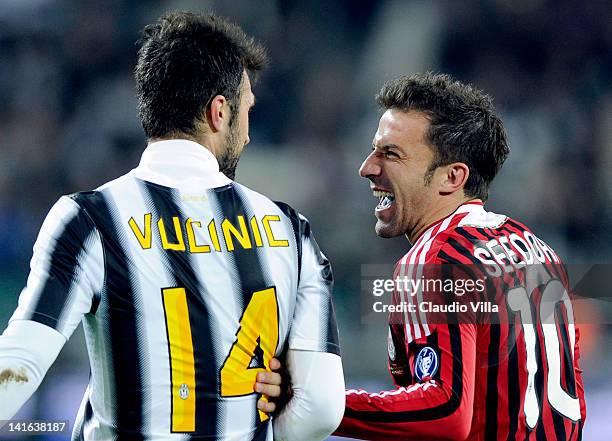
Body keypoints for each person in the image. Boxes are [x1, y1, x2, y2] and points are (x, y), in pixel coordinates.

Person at [0, 11, 344, 441]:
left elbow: (18, 369)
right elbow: (322, 410)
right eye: (247, 111)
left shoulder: (91, 219)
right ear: (220, 112)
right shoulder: (292, 232)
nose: (249, 134)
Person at [263, 72, 586, 440]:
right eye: (374, 149)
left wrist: (320, 401)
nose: (366, 167)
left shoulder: (436, 259)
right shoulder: (538, 251)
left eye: (391, 154)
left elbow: (445, 411)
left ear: (452, 178)